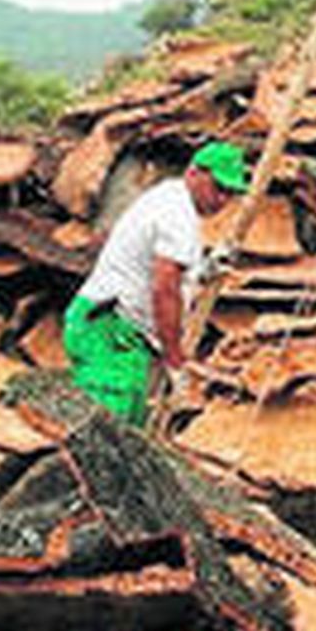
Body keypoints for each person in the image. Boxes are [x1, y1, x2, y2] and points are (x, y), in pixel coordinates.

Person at [64, 141, 249, 423]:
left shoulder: (172, 201)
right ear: (194, 172)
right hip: (109, 328)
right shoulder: (177, 214)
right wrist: (174, 359)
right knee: (105, 428)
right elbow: (165, 289)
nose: (222, 200)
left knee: (126, 426)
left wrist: (205, 270)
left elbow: (167, 271)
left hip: (118, 331)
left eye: (230, 193)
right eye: (218, 188)